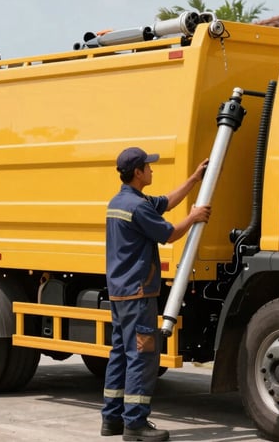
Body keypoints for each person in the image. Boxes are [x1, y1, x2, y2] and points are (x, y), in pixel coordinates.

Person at [101, 147, 211, 441]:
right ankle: (135, 426)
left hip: (120, 292)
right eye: (148, 166)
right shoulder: (136, 207)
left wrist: (193, 180)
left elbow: (164, 203)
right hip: (137, 293)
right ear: (137, 173)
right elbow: (168, 233)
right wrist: (194, 217)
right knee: (142, 357)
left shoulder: (122, 201)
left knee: (120, 355)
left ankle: (111, 420)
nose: (152, 170)